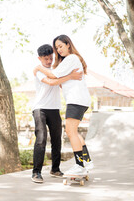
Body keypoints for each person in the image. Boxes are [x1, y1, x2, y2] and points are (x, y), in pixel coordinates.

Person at [34, 35, 93, 177]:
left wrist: (38, 68)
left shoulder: (71, 58)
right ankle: (87, 160)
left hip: (76, 100)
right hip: (78, 100)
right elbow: (58, 81)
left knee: (70, 131)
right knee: (73, 131)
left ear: (68, 44)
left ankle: (79, 165)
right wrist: (69, 77)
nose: (59, 50)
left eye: (61, 46)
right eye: (57, 48)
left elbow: (54, 76)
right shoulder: (69, 61)